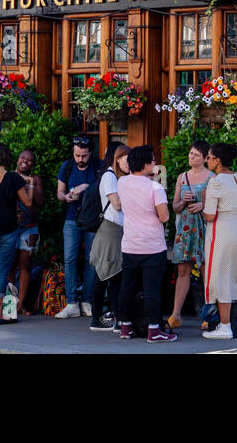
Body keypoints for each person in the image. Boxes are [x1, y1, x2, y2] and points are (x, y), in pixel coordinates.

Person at [117, 145, 176, 342]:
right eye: (152, 161)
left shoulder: (122, 182)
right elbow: (165, 217)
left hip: (130, 244)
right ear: (145, 164)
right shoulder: (156, 188)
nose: (155, 164)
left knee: (127, 287)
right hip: (152, 245)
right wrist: (156, 180)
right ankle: (154, 329)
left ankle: (125, 327)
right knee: (152, 290)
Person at [201, 142, 237, 339]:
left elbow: (209, 215)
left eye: (209, 157)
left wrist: (204, 199)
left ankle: (225, 327)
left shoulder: (215, 182)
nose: (206, 160)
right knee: (233, 278)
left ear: (217, 160)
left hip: (221, 231)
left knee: (220, 279)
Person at [0, 142, 33, 324]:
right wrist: (30, 186)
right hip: (8, 230)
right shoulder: (13, 178)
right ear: (8, 157)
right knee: (2, 270)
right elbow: (28, 203)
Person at [167, 139, 210, 330]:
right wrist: (183, 202)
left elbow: (217, 205)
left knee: (205, 271)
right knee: (183, 271)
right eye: (191, 153)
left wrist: (202, 205)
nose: (191, 157)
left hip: (203, 227)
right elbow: (175, 208)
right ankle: (175, 314)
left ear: (204, 158)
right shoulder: (181, 177)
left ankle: (210, 314)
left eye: (196, 155)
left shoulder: (212, 177)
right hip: (184, 229)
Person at [56, 135, 99, 318]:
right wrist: (64, 197)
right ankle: (72, 302)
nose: (80, 159)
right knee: (70, 259)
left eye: (84, 156)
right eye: (77, 155)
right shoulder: (67, 166)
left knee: (92, 259)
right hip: (72, 217)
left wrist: (85, 187)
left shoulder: (99, 166)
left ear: (91, 153)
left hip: (92, 219)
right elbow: (59, 191)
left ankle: (87, 300)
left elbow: (105, 187)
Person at [89, 142, 129, 332]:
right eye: (126, 160)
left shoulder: (121, 177)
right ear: (118, 159)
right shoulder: (109, 176)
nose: (129, 164)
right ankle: (96, 318)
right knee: (102, 275)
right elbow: (117, 204)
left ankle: (117, 317)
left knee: (116, 275)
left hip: (118, 231)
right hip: (110, 231)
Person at [13, 149, 44, 315]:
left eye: (30, 160)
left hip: (29, 227)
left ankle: (22, 303)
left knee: (25, 264)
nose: (25, 161)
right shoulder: (10, 176)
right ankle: (9, 302)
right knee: (10, 265)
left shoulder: (36, 179)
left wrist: (31, 183)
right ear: (17, 160)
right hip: (10, 226)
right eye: (22, 157)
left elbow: (38, 203)